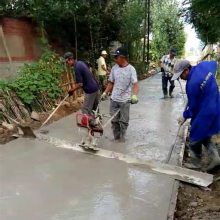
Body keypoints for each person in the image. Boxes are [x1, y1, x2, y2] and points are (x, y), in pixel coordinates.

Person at [172, 59, 220, 171]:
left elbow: (193, 107)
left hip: (205, 111)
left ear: (186, 70)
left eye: (180, 75)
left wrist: (184, 115)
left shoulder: (192, 84)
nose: (180, 78)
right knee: (205, 134)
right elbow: (214, 64)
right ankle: (215, 158)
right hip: (216, 105)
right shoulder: (203, 66)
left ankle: (196, 162)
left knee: (194, 136)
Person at [101, 47, 139, 142]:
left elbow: (135, 85)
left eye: (116, 57)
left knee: (124, 122)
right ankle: (116, 138)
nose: (115, 59)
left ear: (123, 57)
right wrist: (105, 92)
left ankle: (122, 139)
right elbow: (111, 83)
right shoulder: (114, 68)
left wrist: (134, 95)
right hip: (114, 99)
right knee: (114, 121)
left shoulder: (131, 69)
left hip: (125, 101)